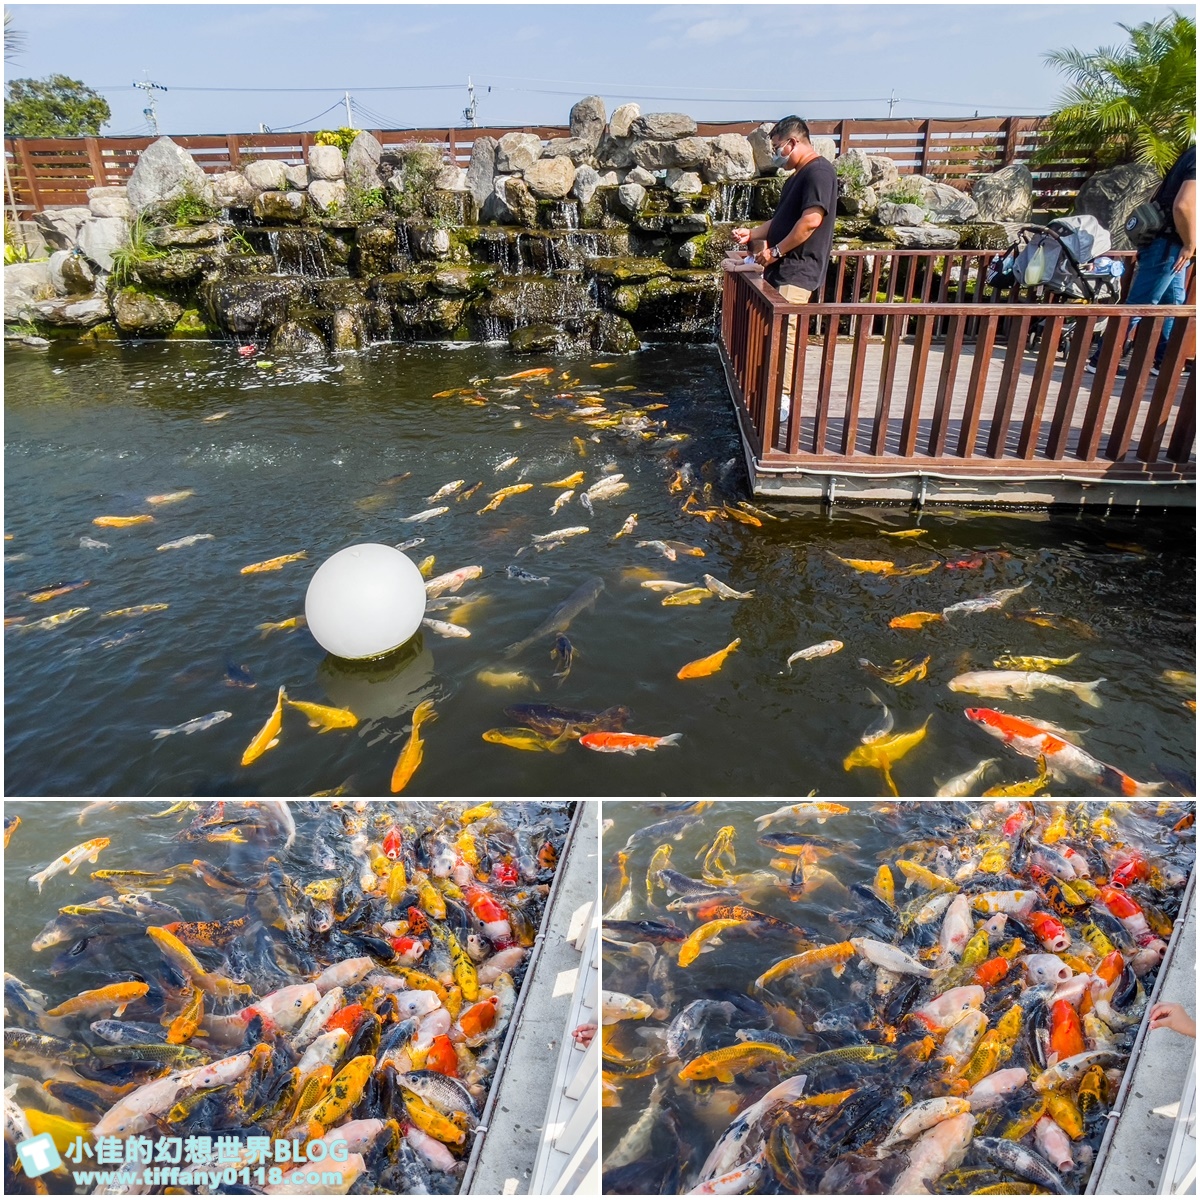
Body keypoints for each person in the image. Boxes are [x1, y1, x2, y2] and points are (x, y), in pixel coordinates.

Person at [731, 116, 838, 414]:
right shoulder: (796, 177)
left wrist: (774, 252)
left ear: (793, 142)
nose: (777, 154)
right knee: (775, 333)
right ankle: (772, 394)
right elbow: (781, 222)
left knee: (786, 335)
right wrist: (751, 235)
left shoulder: (819, 172)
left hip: (798, 271)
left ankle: (783, 403)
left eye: (778, 147)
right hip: (784, 270)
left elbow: (811, 221)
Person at [1088, 141, 1195, 376]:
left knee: (1172, 306)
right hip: (1169, 244)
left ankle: (1165, 361)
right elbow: (1183, 205)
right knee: (1140, 305)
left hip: (1167, 243)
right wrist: (1189, 243)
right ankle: (1103, 360)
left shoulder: (1190, 154)